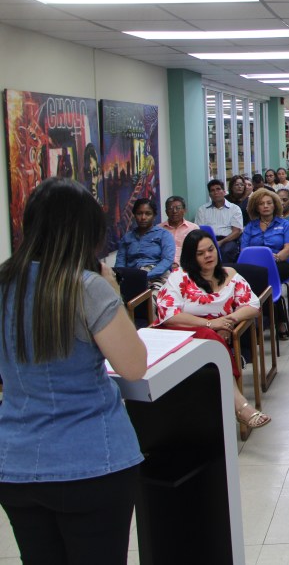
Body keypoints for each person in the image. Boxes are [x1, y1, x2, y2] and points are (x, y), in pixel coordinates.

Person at [0, 178, 147, 564]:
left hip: (16, 461)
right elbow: (133, 366)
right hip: (92, 461)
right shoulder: (87, 288)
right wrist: (113, 292)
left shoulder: (4, 283)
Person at [155, 230, 270, 429]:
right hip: (182, 333)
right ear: (191, 257)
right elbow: (169, 315)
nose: (208, 256)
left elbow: (253, 305)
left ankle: (230, 408)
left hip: (217, 333)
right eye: (201, 253)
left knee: (211, 339)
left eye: (210, 250)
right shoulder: (179, 278)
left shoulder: (230, 275)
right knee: (209, 337)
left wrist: (228, 320)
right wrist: (210, 324)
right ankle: (240, 405)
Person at [242, 188, 289, 336]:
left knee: (265, 278)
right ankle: (279, 320)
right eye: (261, 203)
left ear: (274, 205)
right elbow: (244, 249)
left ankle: (264, 321)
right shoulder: (250, 227)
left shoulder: (284, 224)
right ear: (256, 207)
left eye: (269, 203)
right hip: (254, 266)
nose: (265, 206)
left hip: (279, 263)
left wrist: (274, 258)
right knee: (261, 280)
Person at [116, 198, 175, 290]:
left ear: (154, 215)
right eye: (139, 213)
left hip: (157, 277)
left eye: (148, 214)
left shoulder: (164, 235)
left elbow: (167, 260)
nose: (143, 217)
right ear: (134, 215)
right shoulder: (127, 238)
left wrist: (146, 275)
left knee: (151, 301)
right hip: (132, 277)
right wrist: (122, 278)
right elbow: (120, 264)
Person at [195, 178, 244, 263]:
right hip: (208, 240)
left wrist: (221, 242)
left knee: (225, 251)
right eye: (212, 190)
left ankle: (223, 274)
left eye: (218, 189)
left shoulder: (234, 209)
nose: (216, 192)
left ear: (224, 192)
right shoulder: (202, 210)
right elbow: (199, 231)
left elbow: (237, 231)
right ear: (210, 194)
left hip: (227, 240)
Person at [158, 195, 199, 269]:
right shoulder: (158, 229)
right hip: (164, 269)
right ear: (166, 211)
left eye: (178, 208)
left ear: (184, 210)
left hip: (187, 268)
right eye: (170, 208)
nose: (174, 211)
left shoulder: (193, 228)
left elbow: (198, 251)